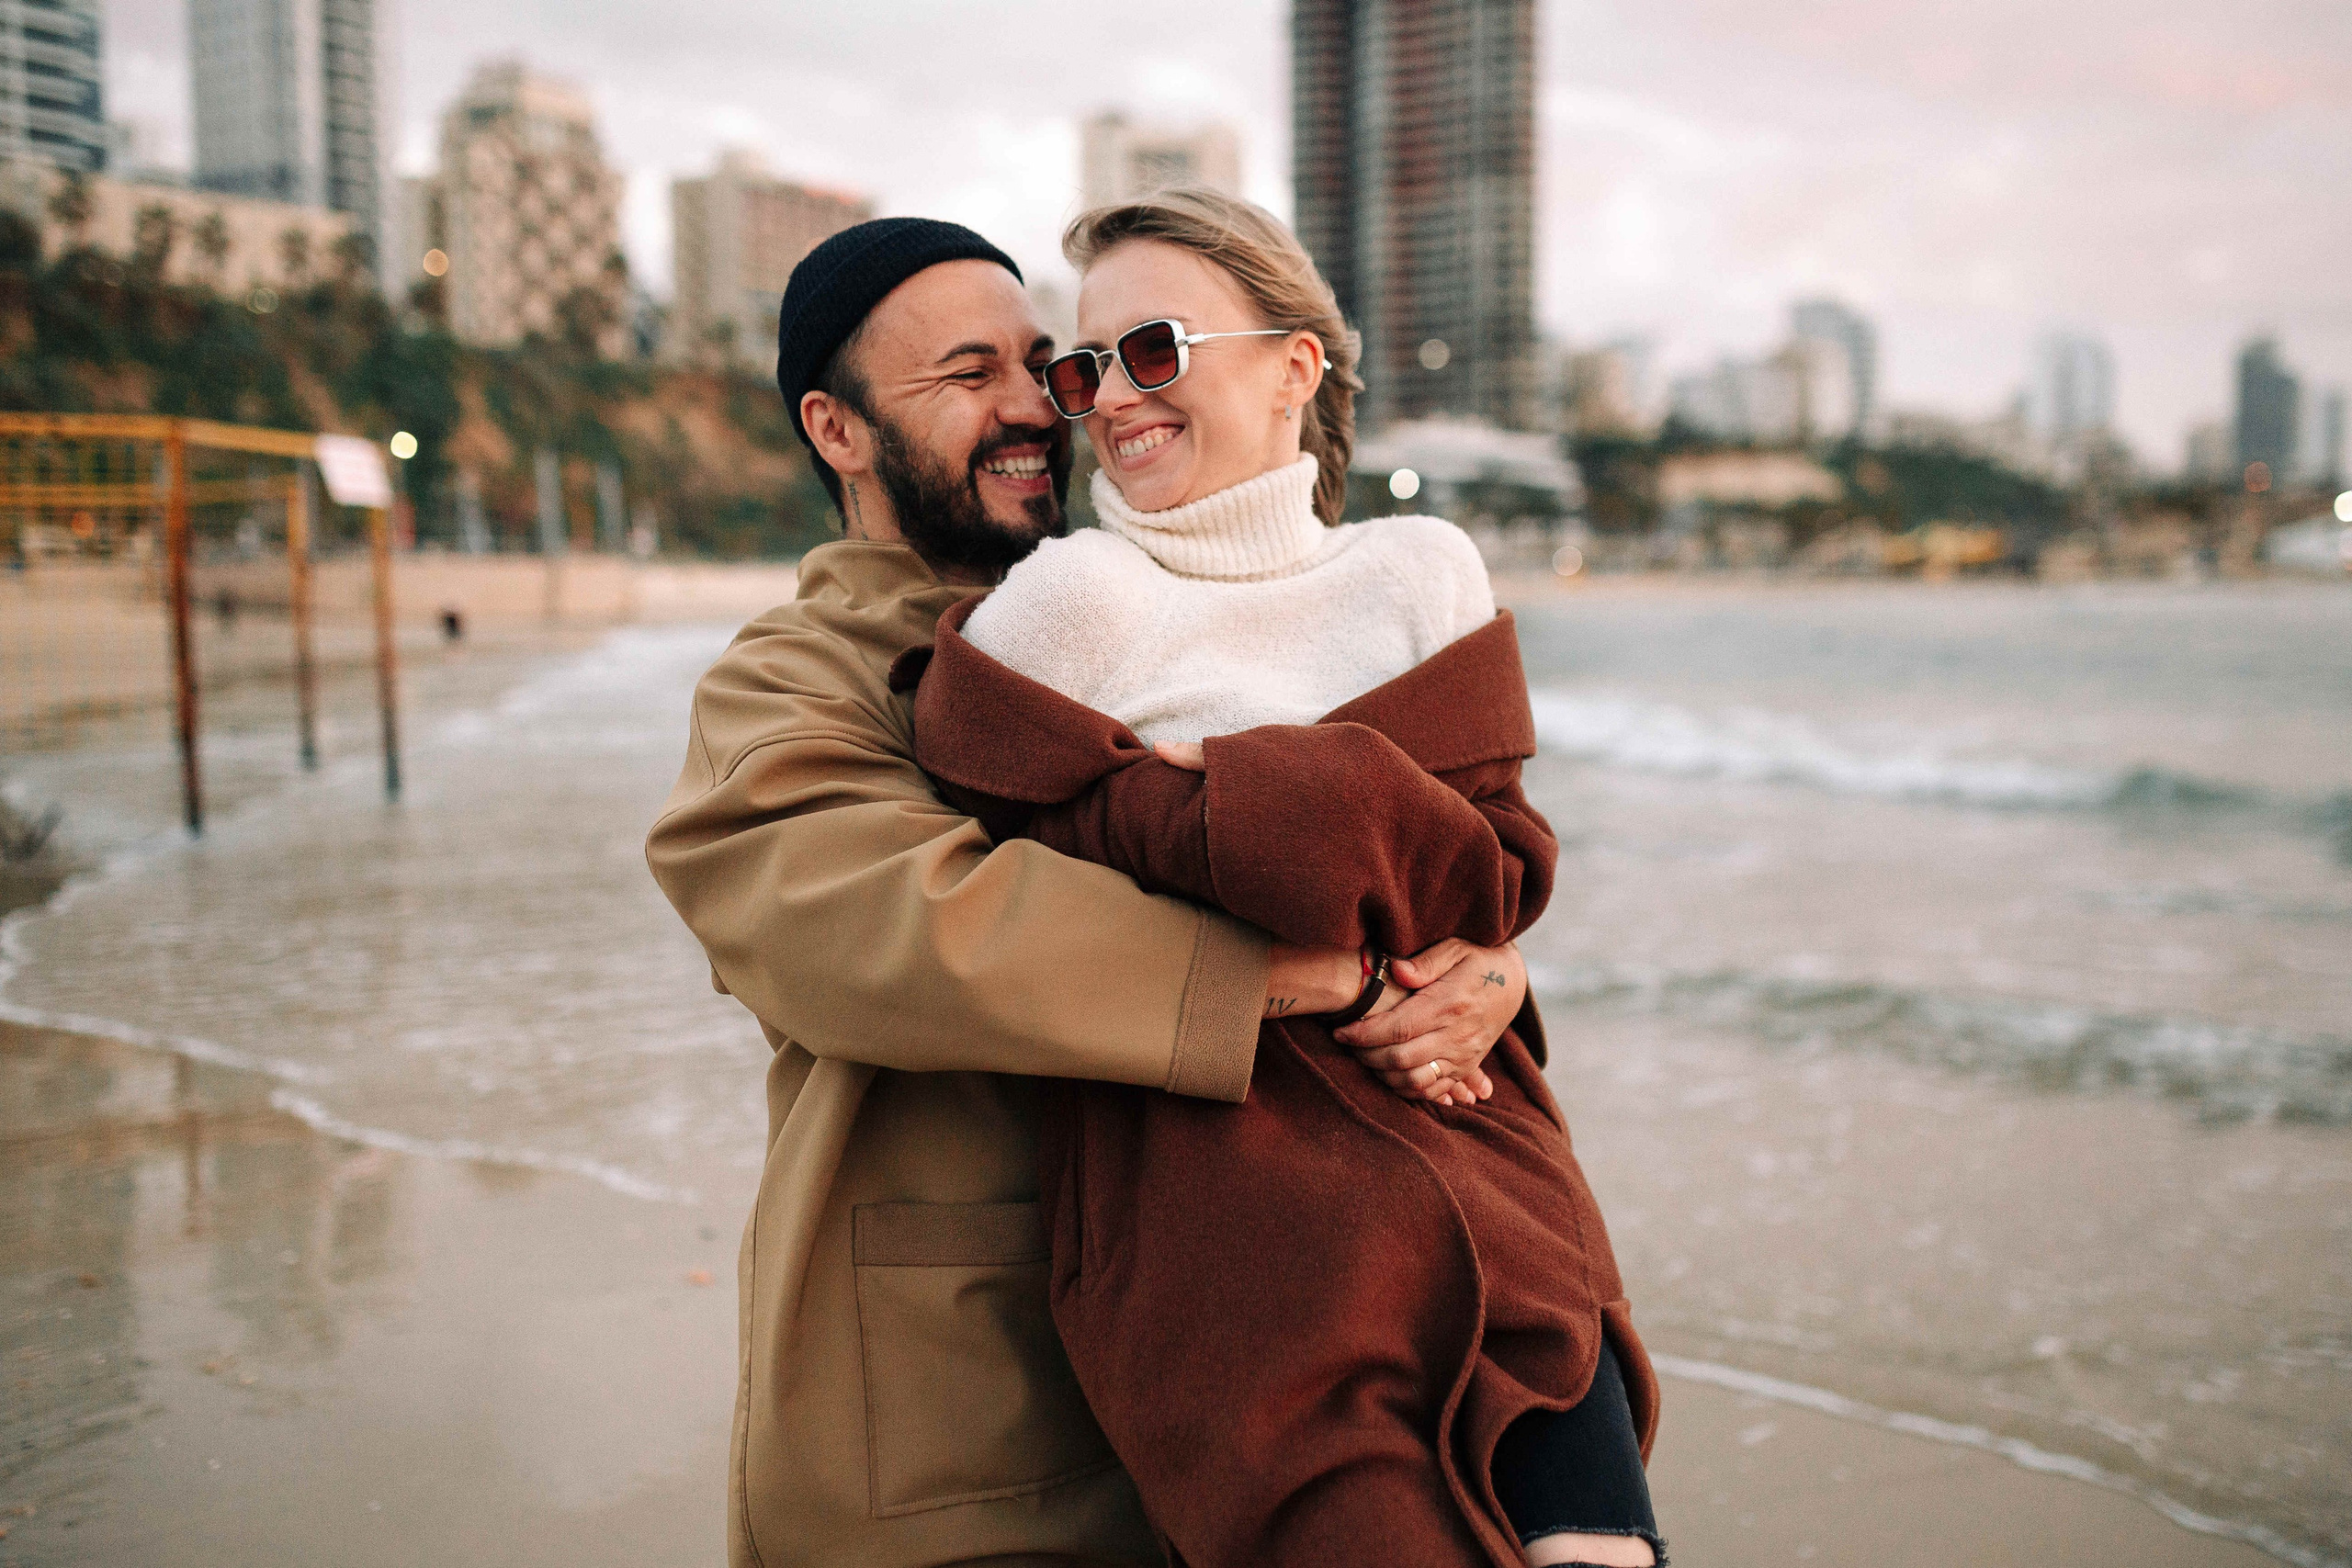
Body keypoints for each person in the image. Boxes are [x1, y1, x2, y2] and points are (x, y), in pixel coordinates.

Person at [643, 217, 1532, 1568]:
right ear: (836, 430)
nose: (1035, 409)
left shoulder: (1163, 615)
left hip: (1243, 1380)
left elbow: (1391, 844)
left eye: (1041, 364)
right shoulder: (788, 682)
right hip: (965, 1413)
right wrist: (1291, 980)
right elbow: (897, 932)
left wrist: (1480, 966)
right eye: (964, 376)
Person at [901, 190, 1662, 1568]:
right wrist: (1323, 800)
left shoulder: (1420, 569)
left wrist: (1473, 946)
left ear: (1294, 366)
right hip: (1235, 1207)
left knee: (1599, 1554)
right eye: (1085, 371)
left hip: (1479, 1143)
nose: (1108, 401)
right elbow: (992, 852)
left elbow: (1496, 867)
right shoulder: (1074, 600)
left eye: (1153, 350)